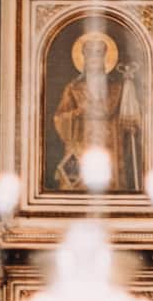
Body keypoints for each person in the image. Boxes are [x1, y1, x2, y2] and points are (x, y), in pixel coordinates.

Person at [51, 32, 144, 192]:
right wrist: (79, 112)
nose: (94, 61)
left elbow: (128, 117)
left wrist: (130, 125)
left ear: (105, 61)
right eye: (91, 57)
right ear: (84, 61)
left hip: (111, 147)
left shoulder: (118, 89)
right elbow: (60, 118)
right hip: (83, 147)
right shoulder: (73, 89)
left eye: (99, 57)